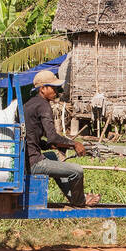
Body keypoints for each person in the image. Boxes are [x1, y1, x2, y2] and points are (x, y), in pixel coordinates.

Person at [23, 69, 99, 207]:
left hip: (27, 158)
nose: (56, 91)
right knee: (77, 171)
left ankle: (72, 197)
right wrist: (74, 144)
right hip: (34, 162)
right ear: (42, 89)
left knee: (52, 155)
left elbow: (33, 138)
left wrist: (51, 145)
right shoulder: (43, 105)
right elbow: (52, 136)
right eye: (53, 87)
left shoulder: (29, 104)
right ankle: (80, 201)